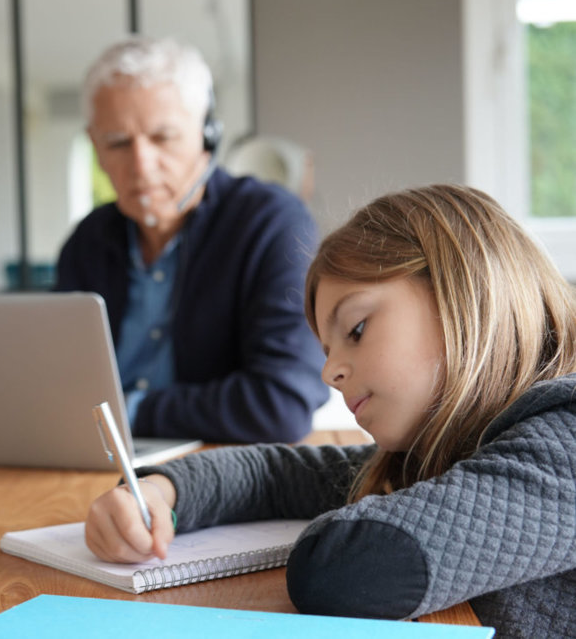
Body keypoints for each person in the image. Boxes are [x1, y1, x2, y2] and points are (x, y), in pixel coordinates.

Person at [83, 184, 576, 636]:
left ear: (464, 292)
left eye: (356, 330)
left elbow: (345, 573)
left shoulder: (565, 441)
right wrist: (159, 491)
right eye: (326, 350)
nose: (329, 372)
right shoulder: (455, 450)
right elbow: (274, 476)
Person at [54, 36, 328, 443]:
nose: (141, 166)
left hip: (215, 461)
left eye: (163, 137)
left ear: (207, 135)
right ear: (95, 145)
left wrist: (129, 412)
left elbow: (281, 403)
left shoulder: (271, 223)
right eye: (117, 143)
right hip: (93, 453)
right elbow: (56, 387)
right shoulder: (87, 240)